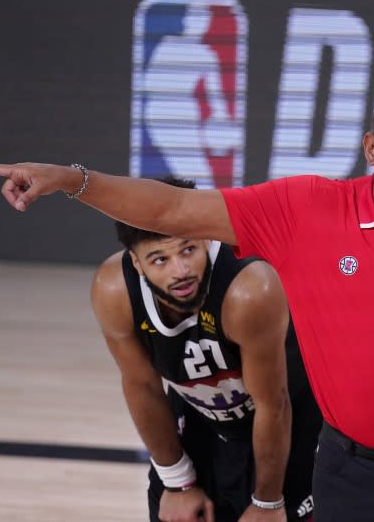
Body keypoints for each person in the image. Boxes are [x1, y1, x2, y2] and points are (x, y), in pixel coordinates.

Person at [0, 88, 374, 521]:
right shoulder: (306, 209)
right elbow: (175, 207)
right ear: (372, 149)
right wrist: (71, 180)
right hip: (350, 474)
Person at [90, 176, 321, 522]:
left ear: (206, 238)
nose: (180, 271)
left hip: (287, 422)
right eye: (159, 260)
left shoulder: (248, 290)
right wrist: (178, 483)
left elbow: (274, 405)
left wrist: (269, 502)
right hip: (201, 419)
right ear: (137, 265)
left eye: (188, 250)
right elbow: (143, 388)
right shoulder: (114, 290)